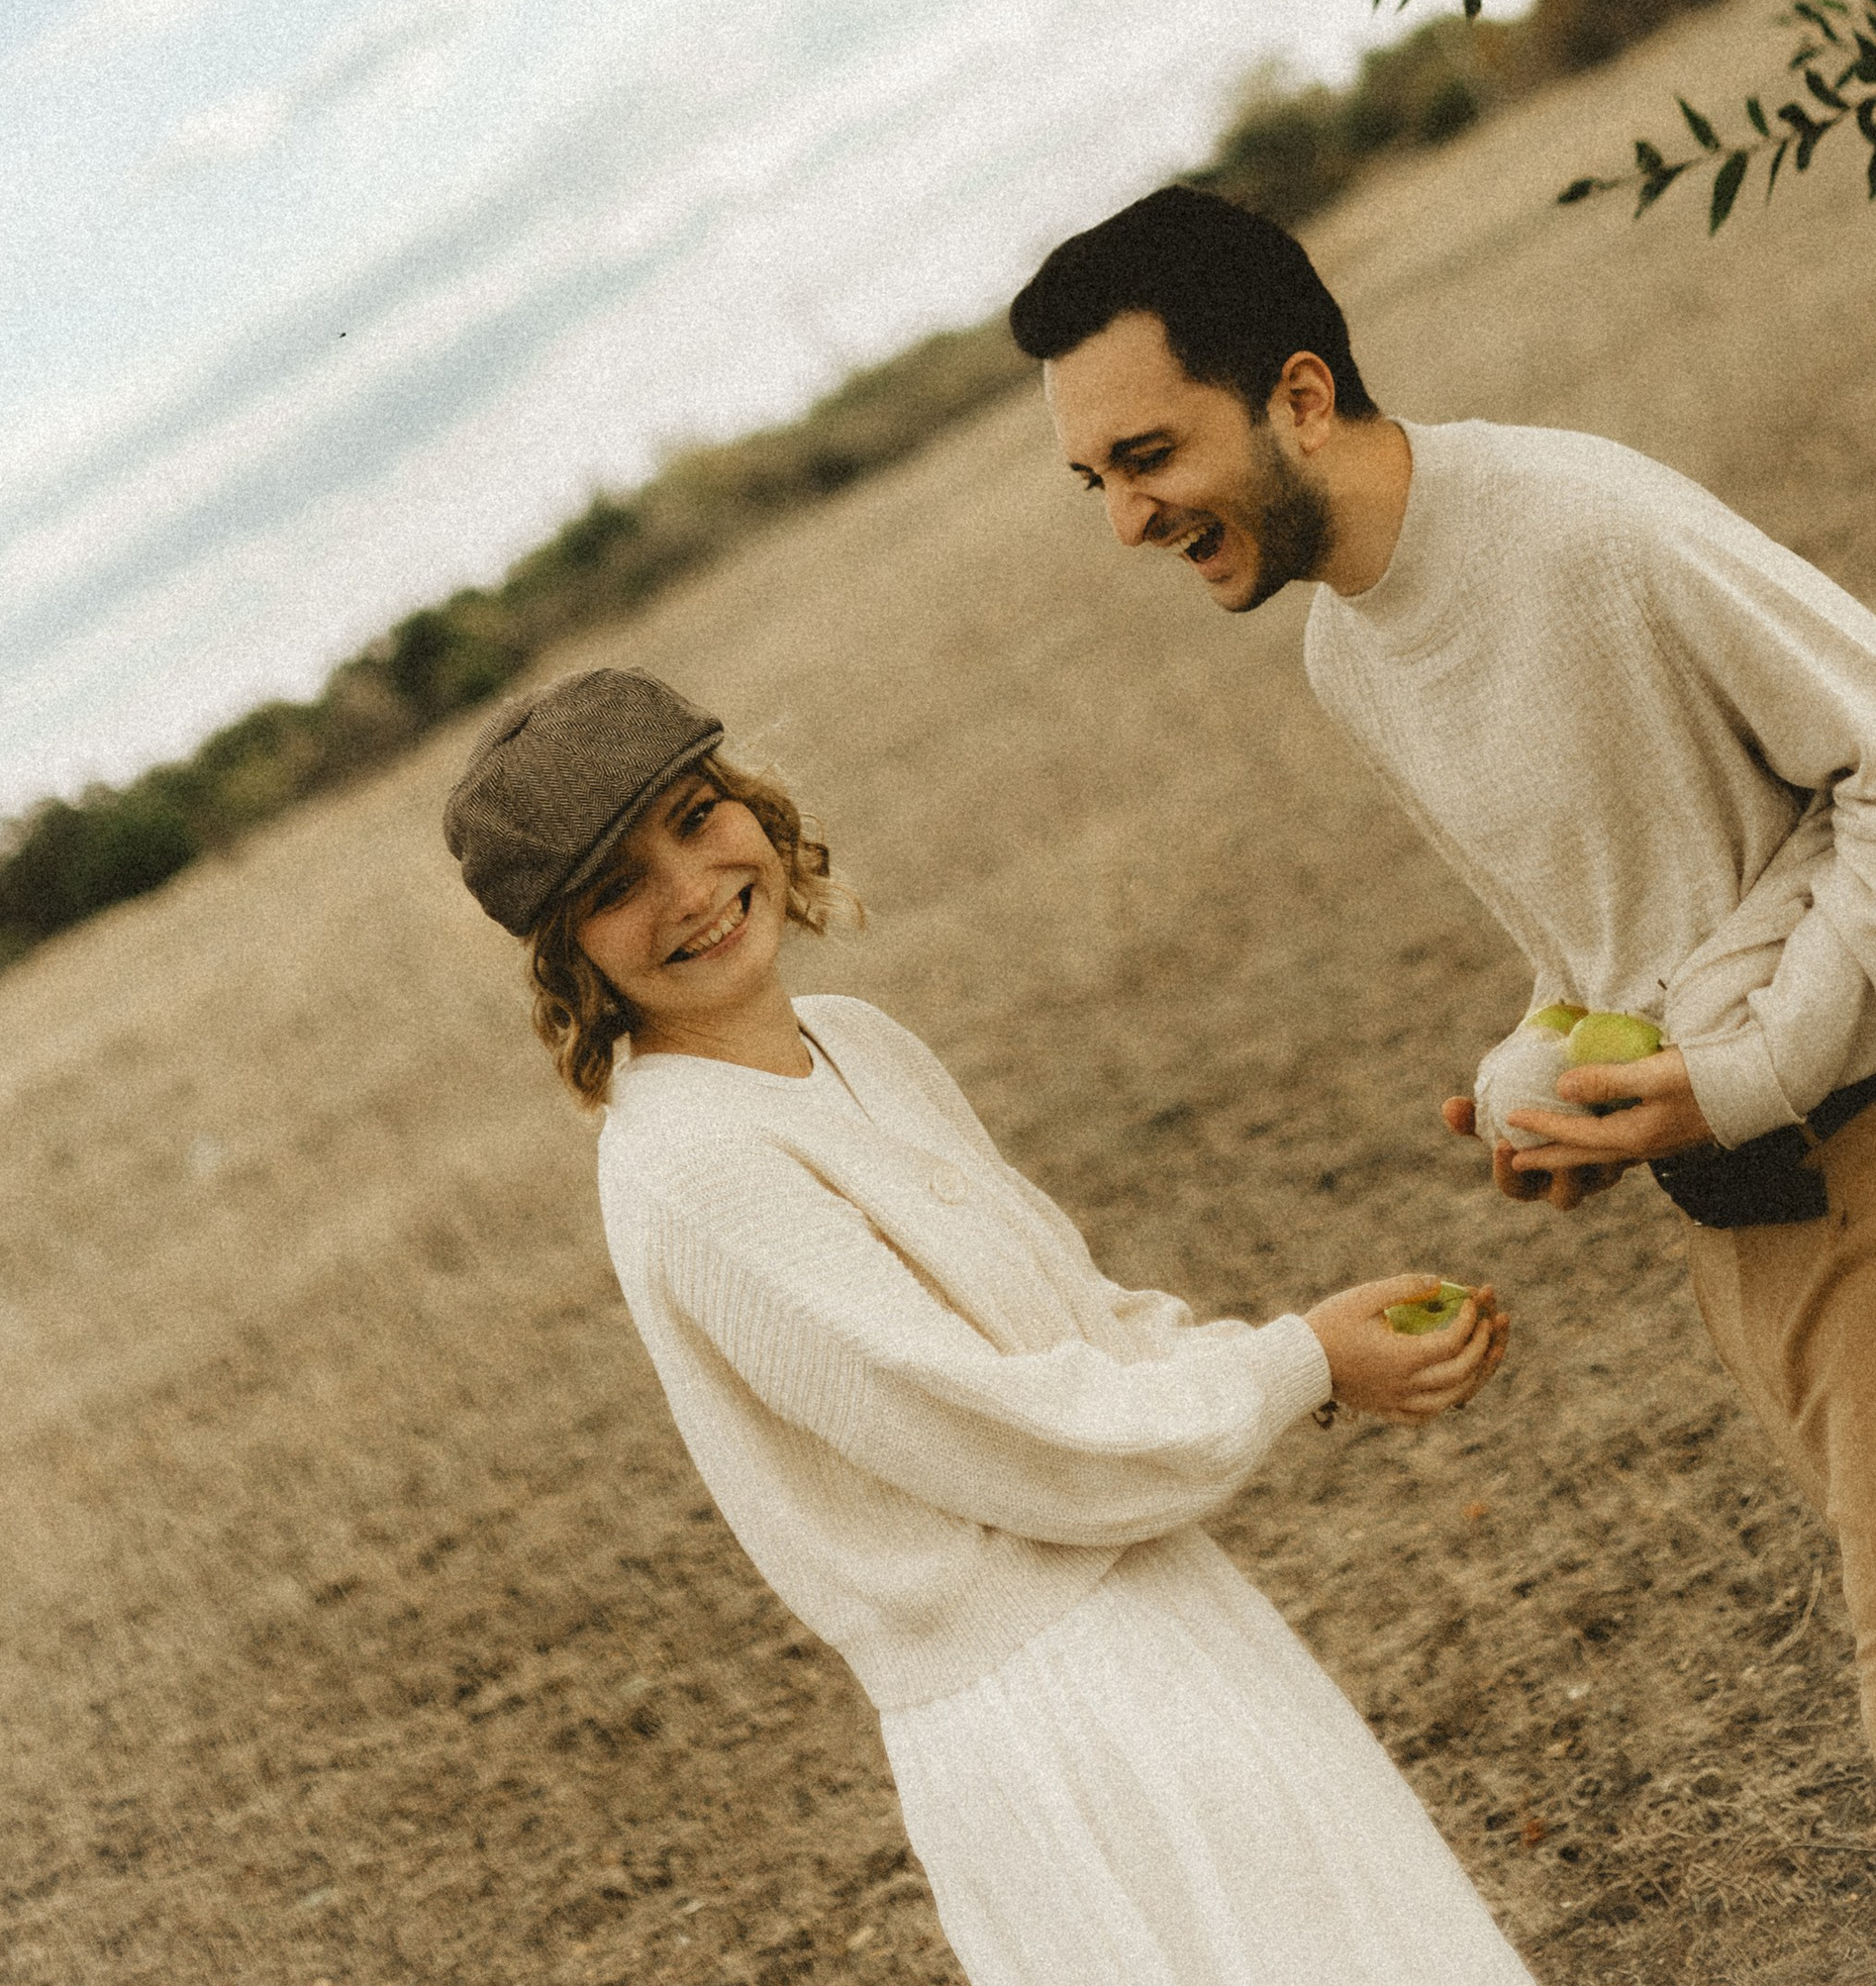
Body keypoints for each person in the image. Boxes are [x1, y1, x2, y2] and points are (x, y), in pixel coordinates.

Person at [1008, 180, 1876, 1986]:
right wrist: (1549, 1088)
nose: (1122, 518)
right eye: (1090, 480)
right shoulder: (1354, 652)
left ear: (1302, 396)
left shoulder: (1578, 518)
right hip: (1762, 1233)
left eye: (1145, 452)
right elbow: (1607, 948)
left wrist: (1738, 1070)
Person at [442, 662, 1537, 1986]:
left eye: (692, 815)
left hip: (1153, 1603)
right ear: (566, 957)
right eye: (614, 887)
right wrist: (1298, 1359)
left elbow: (1073, 1325)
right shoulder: (691, 1165)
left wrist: (1297, 1357)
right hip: (1055, 1706)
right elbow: (1000, 1432)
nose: (686, 889)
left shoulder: (853, 1041)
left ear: (750, 803)